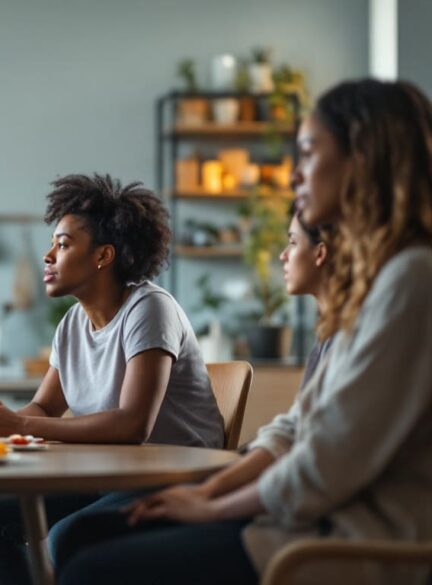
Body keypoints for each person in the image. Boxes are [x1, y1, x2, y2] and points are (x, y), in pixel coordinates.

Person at [56, 79, 432, 585]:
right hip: (308, 516)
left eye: (309, 151)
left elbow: (329, 461)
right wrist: (207, 494)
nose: (295, 174)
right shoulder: (370, 289)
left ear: (364, 158)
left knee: (91, 565)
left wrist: (213, 508)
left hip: (345, 536)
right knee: (83, 538)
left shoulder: (412, 279)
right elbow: (293, 431)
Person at [0, 173, 225, 584]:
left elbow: (132, 424)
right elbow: (46, 407)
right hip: (110, 475)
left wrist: (23, 425)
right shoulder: (72, 324)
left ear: (103, 256)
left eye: (63, 244)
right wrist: (2, 423)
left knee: (70, 537)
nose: (48, 256)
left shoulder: (149, 309)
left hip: (170, 476)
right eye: (52, 244)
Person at [279, 200, 334, 388]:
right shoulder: (327, 331)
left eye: (293, 242)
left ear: (320, 254)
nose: (283, 256)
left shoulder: (344, 335)